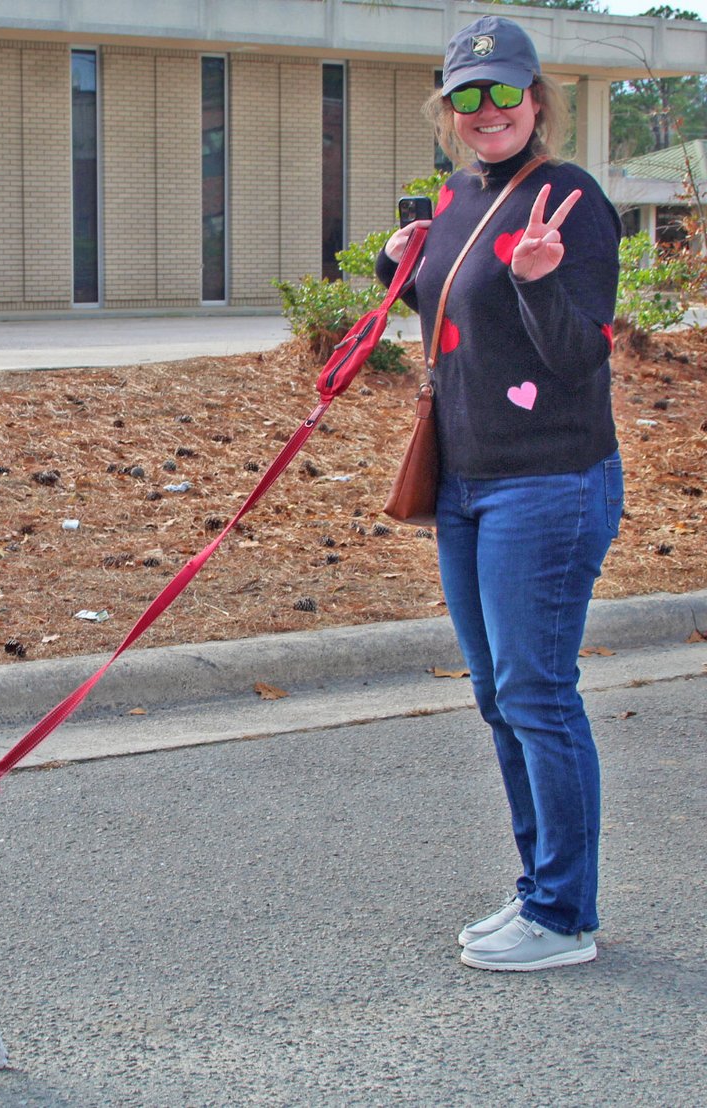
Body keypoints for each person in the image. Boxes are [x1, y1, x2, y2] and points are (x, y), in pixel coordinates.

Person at [377, 15, 624, 971]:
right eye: (468, 95)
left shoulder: (569, 199)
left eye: (505, 91)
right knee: (497, 694)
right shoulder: (459, 196)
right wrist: (405, 273)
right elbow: (459, 331)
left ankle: (564, 917)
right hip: (469, 486)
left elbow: (572, 357)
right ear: (449, 108)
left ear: (537, 99)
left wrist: (536, 282)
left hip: (549, 483)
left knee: (537, 692)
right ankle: (540, 894)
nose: (489, 110)